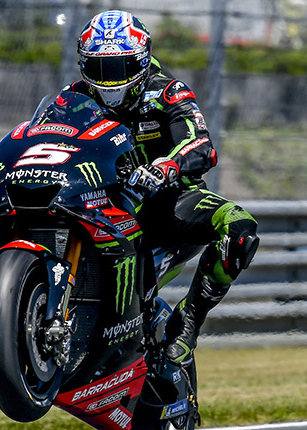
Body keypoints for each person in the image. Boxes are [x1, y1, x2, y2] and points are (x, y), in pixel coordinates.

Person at [64, 10, 259, 365]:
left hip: (163, 201)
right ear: (83, 64)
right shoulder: (73, 97)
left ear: (140, 61)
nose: (110, 81)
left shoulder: (168, 91)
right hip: (98, 201)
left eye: (120, 68)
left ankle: (187, 323)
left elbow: (201, 144)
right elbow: (38, 139)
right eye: (99, 69)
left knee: (239, 228)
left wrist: (168, 166)